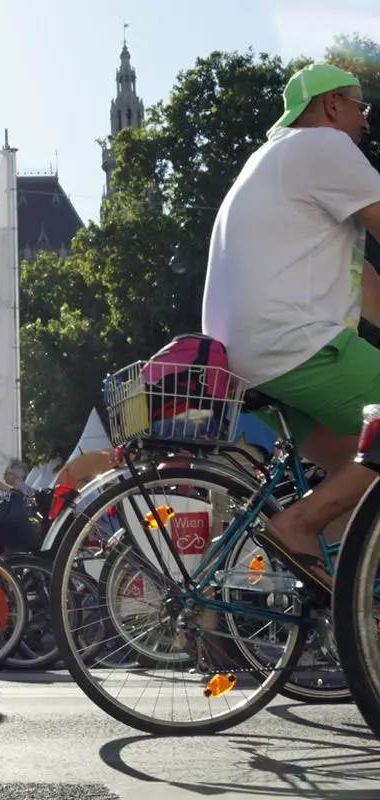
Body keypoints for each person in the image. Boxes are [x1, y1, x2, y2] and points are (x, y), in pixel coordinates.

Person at [201, 62, 380, 593]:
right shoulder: (322, 147)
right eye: (360, 107)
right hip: (294, 345)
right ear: (330, 106)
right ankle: (298, 524)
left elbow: (366, 285)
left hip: (249, 359)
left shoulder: (273, 163)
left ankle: (350, 616)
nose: (366, 123)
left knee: (365, 485)